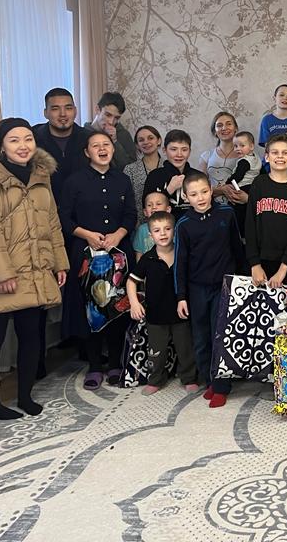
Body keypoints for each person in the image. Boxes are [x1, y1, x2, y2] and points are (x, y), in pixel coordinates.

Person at [0, 118, 68, 419]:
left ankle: (25, 396)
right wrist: (3, 274)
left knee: (31, 336)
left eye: (28, 139)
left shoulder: (41, 176)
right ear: (2, 146)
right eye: (14, 140)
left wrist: (59, 262)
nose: (23, 146)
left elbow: (52, 223)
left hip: (35, 272)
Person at [59, 130, 137, 390]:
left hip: (118, 253)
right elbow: (64, 218)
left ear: (113, 149)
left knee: (117, 307)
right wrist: (87, 235)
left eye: (106, 144)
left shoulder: (122, 180)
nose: (102, 149)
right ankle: (94, 365)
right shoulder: (74, 181)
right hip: (85, 253)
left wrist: (118, 234)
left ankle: (115, 363)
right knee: (90, 309)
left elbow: (131, 214)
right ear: (87, 152)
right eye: (96, 146)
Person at [175, 173, 243, 408]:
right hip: (197, 288)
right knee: (201, 337)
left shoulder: (226, 213)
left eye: (204, 191)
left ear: (211, 190)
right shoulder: (183, 224)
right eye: (194, 194)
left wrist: (243, 281)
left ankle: (222, 386)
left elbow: (237, 248)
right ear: (186, 197)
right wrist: (181, 297)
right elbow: (180, 262)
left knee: (220, 335)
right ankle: (210, 380)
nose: (201, 197)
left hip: (224, 285)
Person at [126, 210, 199, 395]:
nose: (163, 234)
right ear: (151, 235)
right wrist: (134, 303)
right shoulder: (148, 258)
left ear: (174, 230)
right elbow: (131, 281)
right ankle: (155, 379)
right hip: (155, 315)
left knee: (185, 349)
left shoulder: (182, 254)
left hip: (181, 313)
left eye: (167, 229)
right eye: (157, 230)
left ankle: (189, 378)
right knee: (156, 351)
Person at [245, 134, 287, 288]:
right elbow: (249, 224)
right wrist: (254, 264)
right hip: (261, 262)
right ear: (267, 157)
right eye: (275, 152)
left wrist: (283, 268)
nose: (280, 156)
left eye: (285, 152)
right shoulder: (259, 183)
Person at [32, 87, 89, 205]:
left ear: (75, 111)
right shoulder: (32, 139)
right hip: (43, 208)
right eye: (55, 109)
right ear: (45, 113)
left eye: (68, 108)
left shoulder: (89, 139)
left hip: (83, 209)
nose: (63, 114)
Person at [143, 129, 202, 218]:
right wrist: (169, 190)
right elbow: (148, 209)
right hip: (164, 225)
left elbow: (208, 206)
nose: (179, 154)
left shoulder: (198, 176)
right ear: (164, 150)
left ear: (189, 151)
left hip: (194, 224)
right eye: (173, 149)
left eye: (184, 150)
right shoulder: (154, 176)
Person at [197, 111, 243, 207]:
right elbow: (198, 188)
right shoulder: (206, 156)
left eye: (229, 124)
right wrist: (221, 190)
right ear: (214, 131)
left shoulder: (245, 156)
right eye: (219, 125)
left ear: (235, 128)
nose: (224, 128)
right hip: (212, 209)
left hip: (239, 208)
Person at [86, 92, 137, 171]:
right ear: (97, 110)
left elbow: (132, 169)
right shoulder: (82, 134)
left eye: (116, 118)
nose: (111, 122)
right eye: (108, 115)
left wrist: (115, 142)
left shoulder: (123, 134)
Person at [225, 130, 262, 238]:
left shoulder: (244, 161)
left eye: (242, 145)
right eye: (235, 146)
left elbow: (238, 176)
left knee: (235, 208)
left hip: (242, 187)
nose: (238, 149)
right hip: (252, 188)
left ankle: (239, 234)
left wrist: (227, 183)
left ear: (251, 146)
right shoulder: (256, 158)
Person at [123, 125, 163, 218]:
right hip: (138, 221)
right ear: (137, 145)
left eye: (150, 138)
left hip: (166, 221)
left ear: (159, 141)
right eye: (141, 140)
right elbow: (126, 200)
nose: (146, 142)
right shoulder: (130, 169)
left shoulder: (168, 166)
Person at [132, 189, 172, 261]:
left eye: (158, 204)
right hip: (148, 265)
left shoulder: (173, 227)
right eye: (149, 205)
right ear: (145, 212)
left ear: (168, 209)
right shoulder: (142, 229)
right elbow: (139, 253)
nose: (154, 207)